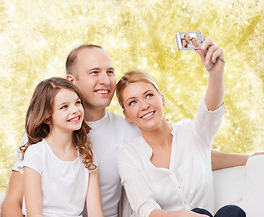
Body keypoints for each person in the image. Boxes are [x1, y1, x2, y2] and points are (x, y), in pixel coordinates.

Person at [1, 44, 255, 217]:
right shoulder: (44, 137)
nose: (106, 80)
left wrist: (251, 158)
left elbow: (187, 153)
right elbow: (12, 203)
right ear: (72, 81)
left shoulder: (130, 129)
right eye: (94, 73)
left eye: (110, 72)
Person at [115, 40, 246, 217]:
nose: (144, 105)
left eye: (149, 95)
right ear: (127, 115)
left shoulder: (192, 134)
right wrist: (186, 215)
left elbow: (211, 112)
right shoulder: (128, 156)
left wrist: (216, 73)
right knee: (201, 212)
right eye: (133, 102)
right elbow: (146, 209)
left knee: (231, 212)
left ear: (162, 99)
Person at [18, 77, 104, 217]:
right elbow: (35, 214)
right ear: (47, 118)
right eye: (64, 107)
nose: (75, 110)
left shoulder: (87, 154)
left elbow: (95, 211)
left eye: (77, 103)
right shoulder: (36, 154)